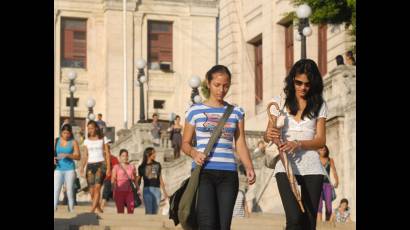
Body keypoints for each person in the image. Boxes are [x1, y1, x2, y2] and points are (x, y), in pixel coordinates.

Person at [182, 65, 256, 230]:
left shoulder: (236, 112)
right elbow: (185, 144)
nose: (221, 90)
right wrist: (194, 153)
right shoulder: (195, 111)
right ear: (208, 83)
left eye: (226, 85)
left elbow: (240, 142)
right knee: (207, 223)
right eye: (217, 85)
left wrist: (249, 166)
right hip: (203, 173)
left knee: (224, 226)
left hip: (228, 174)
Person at [264, 59, 327, 230]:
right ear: (292, 80)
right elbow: (267, 135)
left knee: (309, 222)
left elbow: (321, 140)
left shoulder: (320, 104)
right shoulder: (279, 102)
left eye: (307, 84)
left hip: (312, 164)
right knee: (294, 218)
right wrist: (269, 135)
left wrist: (298, 144)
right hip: (285, 164)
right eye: (298, 82)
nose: (302, 87)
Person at [80, 120, 111, 213]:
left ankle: (92, 210)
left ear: (96, 128)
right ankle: (98, 208)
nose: (90, 130)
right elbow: (85, 155)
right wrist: (82, 167)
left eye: (91, 128)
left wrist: (109, 168)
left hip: (100, 165)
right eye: (88, 129)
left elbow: (107, 155)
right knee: (91, 191)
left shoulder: (103, 139)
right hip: (90, 166)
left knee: (97, 187)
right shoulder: (86, 141)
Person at [54, 124, 81, 212]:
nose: (66, 135)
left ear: (70, 133)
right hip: (58, 168)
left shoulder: (73, 142)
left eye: (68, 133)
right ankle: (54, 208)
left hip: (69, 169)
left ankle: (71, 209)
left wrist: (68, 155)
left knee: (69, 190)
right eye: (64, 133)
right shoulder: (56, 140)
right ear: (61, 132)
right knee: (56, 189)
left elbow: (78, 156)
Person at [137, 147, 169, 214]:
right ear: (148, 154)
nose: (155, 154)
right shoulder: (142, 167)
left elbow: (160, 179)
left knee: (155, 212)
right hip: (147, 190)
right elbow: (138, 180)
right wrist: (136, 190)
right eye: (153, 153)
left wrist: (165, 193)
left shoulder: (157, 165)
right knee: (149, 211)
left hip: (157, 191)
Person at [111, 149, 138, 214]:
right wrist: (113, 191)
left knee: (131, 210)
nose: (125, 157)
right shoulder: (116, 167)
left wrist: (137, 189)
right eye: (123, 156)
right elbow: (113, 179)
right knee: (120, 211)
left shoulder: (132, 167)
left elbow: (134, 179)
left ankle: (130, 224)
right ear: (119, 157)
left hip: (130, 192)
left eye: (126, 156)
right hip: (119, 191)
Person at [317, 145, 339, 222]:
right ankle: (319, 223)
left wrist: (337, 181)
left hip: (327, 185)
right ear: (318, 151)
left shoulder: (330, 160)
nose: (323, 151)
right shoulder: (316, 159)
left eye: (324, 150)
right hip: (317, 184)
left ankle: (327, 222)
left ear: (327, 151)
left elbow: (334, 171)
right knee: (319, 205)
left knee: (328, 205)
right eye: (321, 150)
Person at [100, 142, 120, 210]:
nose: (103, 151)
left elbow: (117, 169)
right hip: (101, 178)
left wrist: (114, 179)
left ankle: (101, 207)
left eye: (104, 149)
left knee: (105, 193)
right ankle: (100, 206)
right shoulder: (100, 158)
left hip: (109, 178)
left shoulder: (113, 158)